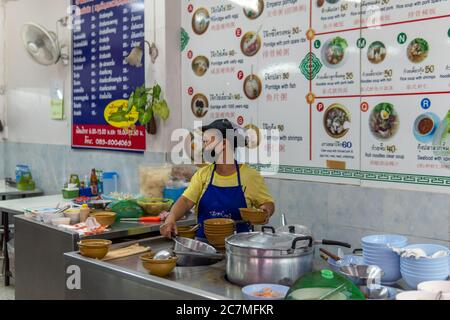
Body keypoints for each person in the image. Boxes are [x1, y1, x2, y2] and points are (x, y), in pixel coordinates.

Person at [160, 119, 275, 241]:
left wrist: (265, 211)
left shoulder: (250, 176)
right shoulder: (202, 174)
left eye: (208, 142)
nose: (204, 147)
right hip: (204, 248)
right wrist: (171, 218)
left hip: (237, 249)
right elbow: (186, 201)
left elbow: (267, 203)